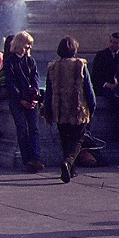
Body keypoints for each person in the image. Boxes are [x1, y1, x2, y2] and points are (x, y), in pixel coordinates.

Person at [44, 37, 96, 183]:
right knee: (78, 139)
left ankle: (71, 170)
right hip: (78, 108)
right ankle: (67, 162)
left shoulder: (53, 67)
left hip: (60, 109)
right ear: (74, 49)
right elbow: (88, 89)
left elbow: (49, 92)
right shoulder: (80, 65)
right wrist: (92, 107)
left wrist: (48, 111)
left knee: (65, 140)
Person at [4, 31, 44, 173]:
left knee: (34, 129)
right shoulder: (10, 61)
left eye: (30, 46)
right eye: (27, 45)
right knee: (22, 130)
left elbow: (35, 79)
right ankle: (27, 160)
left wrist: (34, 96)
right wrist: (20, 99)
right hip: (17, 101)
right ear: (19, 44)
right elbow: (10, 83)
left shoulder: (30, 61)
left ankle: (36, 158)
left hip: (30, 99)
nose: (28, 48)